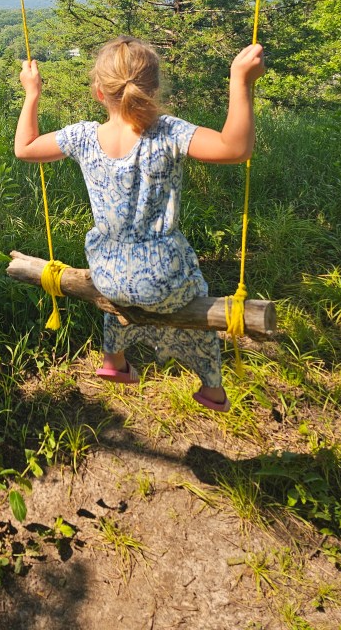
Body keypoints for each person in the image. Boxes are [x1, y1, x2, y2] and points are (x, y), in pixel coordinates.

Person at [14, 36, 266, 412]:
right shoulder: (168, 132)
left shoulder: (83, 136)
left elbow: (25, 147)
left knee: (120, 286)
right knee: (196, 296)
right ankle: (212, 388)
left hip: (107, 272)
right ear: (154, 89)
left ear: (99, 92)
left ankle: (113, 360)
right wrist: (240, 81)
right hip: (162, 277)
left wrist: (32, 93)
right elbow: (236, 148)